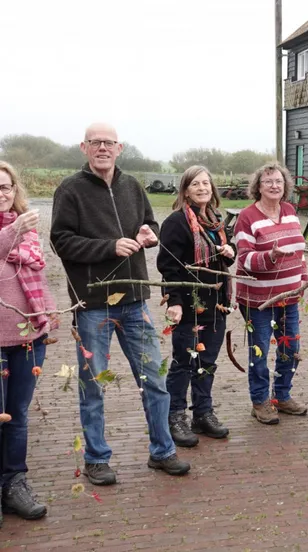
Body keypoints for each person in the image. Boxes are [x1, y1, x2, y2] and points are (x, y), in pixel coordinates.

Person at [51, 123, 190, 485]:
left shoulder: (132, 186)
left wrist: (147, 234)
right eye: (95, 142)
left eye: (108, 142)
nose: (102, 148)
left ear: (119, 148)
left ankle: (162, 451)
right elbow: (60, 241)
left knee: (154, 379)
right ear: (84, 147)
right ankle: (96, 458)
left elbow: (149, 224)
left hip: (135, 300)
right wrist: (109, 247)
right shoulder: (70, 189)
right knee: (94, 384)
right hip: (93, 304)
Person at [157, 166, 234, 448]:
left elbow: (227, 255)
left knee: (207, 362)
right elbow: (168, 267)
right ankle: (175, 416)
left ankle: (202, 413)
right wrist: (174, 301)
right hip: (189, 305)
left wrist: (230, 251)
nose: (202, 188)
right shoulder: (176, 223)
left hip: (217, 304)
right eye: (195, 184)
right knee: (183, 363)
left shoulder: (215, 221)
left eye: (206, 183)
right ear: (186, 190)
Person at [0, 162, 55, 524]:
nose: (1, 194)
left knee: (18, 415)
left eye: (5, 187)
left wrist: (46, 317)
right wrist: (13, 232)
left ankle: (14, 484)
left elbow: (37, 276)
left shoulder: (25, 230)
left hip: (28, 339)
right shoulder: (16, 230)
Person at [235, 162, 308, 424]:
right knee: (260, 351)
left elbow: (299, 249)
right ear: (258, 186)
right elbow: (244, 258)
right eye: (268, 182)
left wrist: (303, 279)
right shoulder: (247, 217)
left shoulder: (289, 211)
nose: (274, 186)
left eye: (278, 181)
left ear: (285, 185)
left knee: (290, 347)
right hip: (259, 301)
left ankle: (282, 396)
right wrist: (271, 256)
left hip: (289, 298)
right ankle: (260, 401)